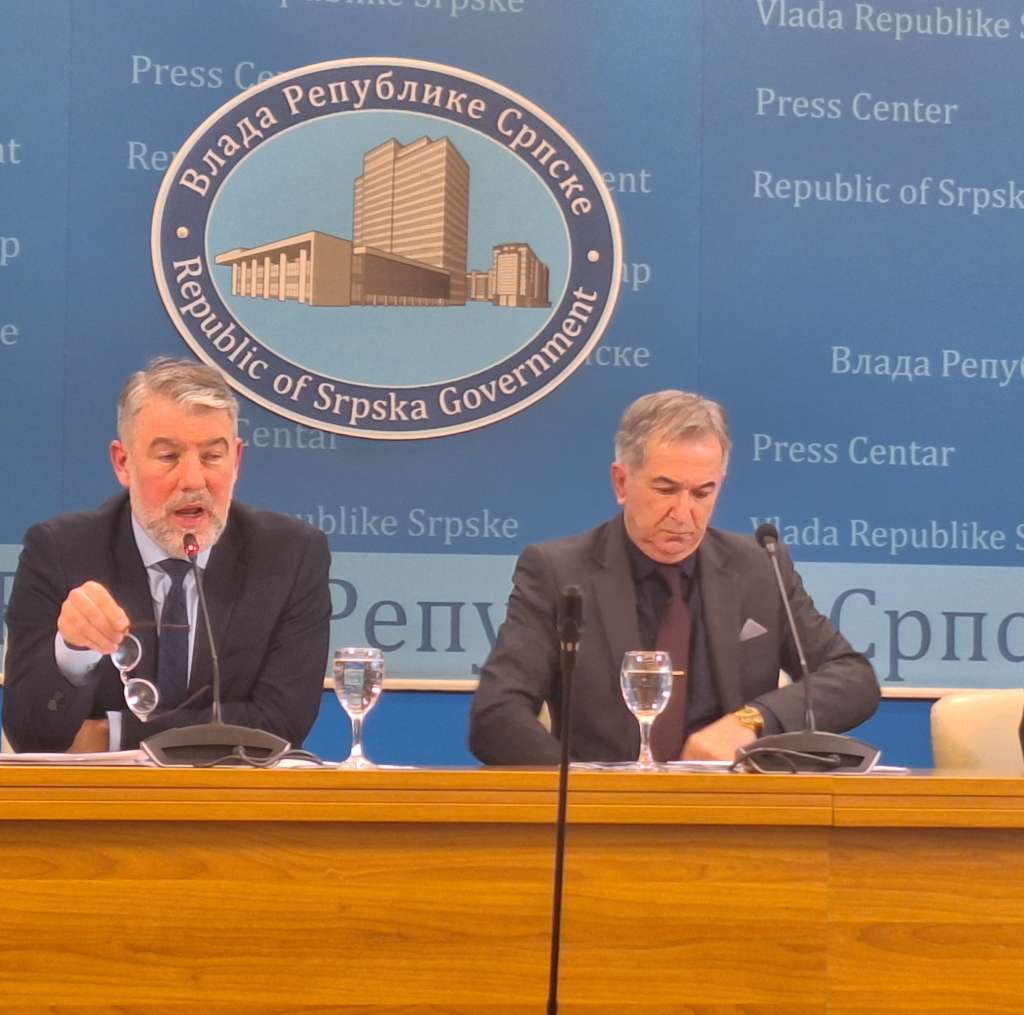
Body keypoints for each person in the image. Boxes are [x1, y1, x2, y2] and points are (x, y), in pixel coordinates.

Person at [469, 390, 879, 765]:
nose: (684, 515)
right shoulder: (559, 572)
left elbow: (853, 679)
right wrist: (585, 792)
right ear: (621, 482)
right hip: (602, 810)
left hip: (731, 806)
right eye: (665, 490)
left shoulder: (758, 568)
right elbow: (496, 714)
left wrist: (752, 719)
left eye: (702, 493)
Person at [2, 358, 331, 753]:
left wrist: (112, 736)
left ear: (237, 460)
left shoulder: (290, 556)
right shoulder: (59, 552)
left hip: (231, 793)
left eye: (212, 456)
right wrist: (72, 652)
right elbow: (29, 735)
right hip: (99, 795)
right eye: (169, 457)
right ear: (123, 463)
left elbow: (280, 725)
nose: (193, 480)